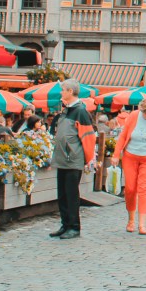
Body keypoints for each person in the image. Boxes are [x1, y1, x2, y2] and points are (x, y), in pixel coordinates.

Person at [111, 96, 146, 235]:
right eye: (145, 113)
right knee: (130, 189)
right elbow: (123, 136)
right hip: (130, 157)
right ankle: (131, 220)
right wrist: (116, 154)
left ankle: (142, 224)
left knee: (144, 189)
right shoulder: (134, 116)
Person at [48, 79, 96, 239]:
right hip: (63, 158)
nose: (61, 92)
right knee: (62, 194)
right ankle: (65, 224)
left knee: (71, 194)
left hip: (73, 159)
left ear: (70, 91)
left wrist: (89, 160)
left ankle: (74, 227)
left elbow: (88, 138)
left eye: (63, 90)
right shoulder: (66, 110)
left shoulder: (80, 111)